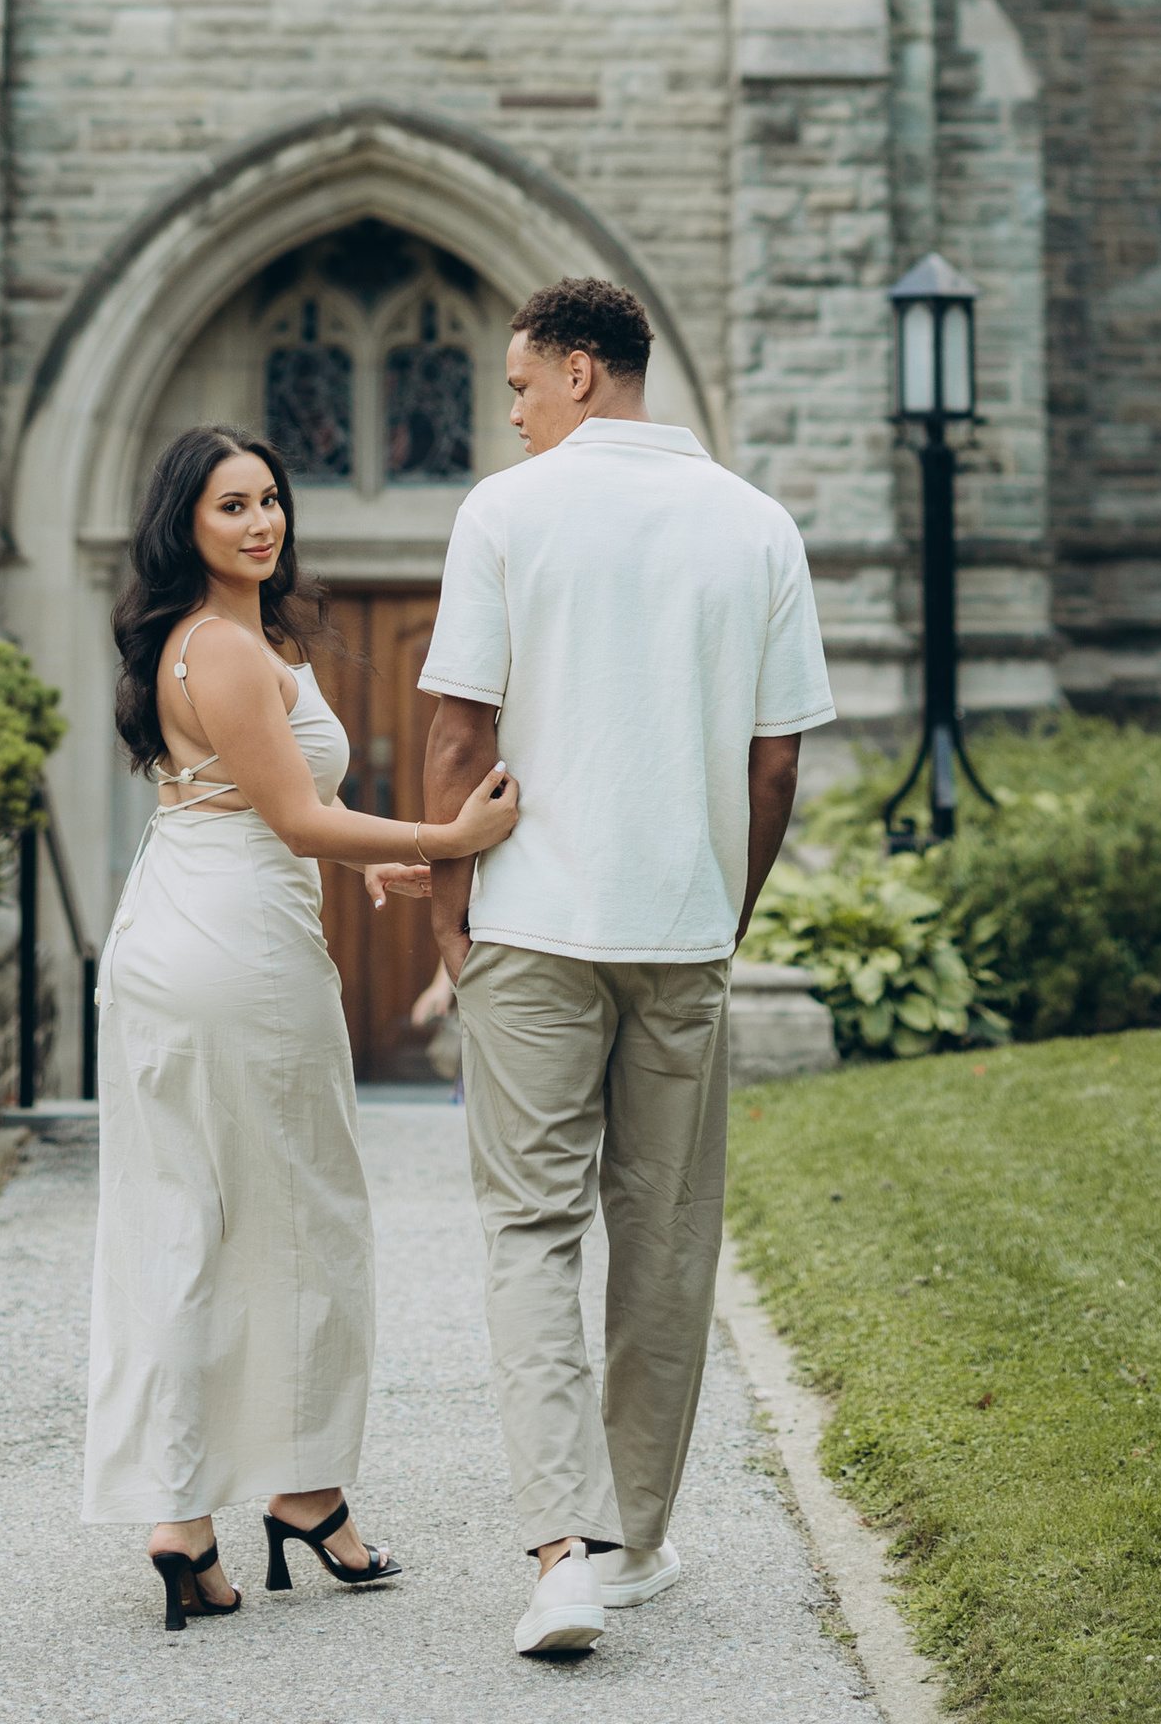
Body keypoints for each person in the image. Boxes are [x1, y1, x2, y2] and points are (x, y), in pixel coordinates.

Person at [420, 277, 834, 1660]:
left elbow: (456, 728)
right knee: (666, 1239)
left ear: (586, 372)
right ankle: (635, 1540)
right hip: (682, 928)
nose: (517, 408)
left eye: (525, 383)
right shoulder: (758, 523)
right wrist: (729, 908)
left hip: (533, 927)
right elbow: (778, 760)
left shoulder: (508, 509)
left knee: (532, 1232)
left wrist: (445, 908)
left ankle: (562, 1557)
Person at [84, 421, 522, 1630]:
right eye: (232, 505)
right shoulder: (220, 648)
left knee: (192, 1216)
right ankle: (301, 1497)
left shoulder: (227, 641)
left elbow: (277, 802)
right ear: (185, 524)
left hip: (187, 926)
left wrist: (372, 862)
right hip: (233, 950)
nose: (261, 521)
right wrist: (443, 848)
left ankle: (194, 1524)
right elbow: (297, 821)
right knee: (303, 1215)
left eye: (270, 499)